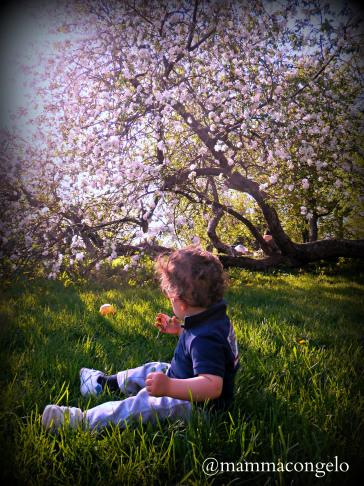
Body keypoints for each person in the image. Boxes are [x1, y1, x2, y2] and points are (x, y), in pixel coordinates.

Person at [42, 245, 240, 431]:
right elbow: (212, 351)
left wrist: (169, 386)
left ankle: (82, 420)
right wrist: (180, 330)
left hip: (198, 405)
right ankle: (103, 384)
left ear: (181, 303)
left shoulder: (205, 338)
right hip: (183, 376)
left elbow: (212, 386)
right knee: (152, 369)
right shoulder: (212, 316)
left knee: (142, 404)